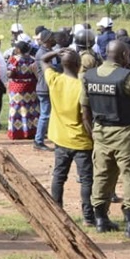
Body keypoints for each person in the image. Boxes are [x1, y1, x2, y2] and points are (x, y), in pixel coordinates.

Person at [82, 40, 130, 238]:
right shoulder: (129, 77)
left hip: (101, 132)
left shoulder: (89, 76)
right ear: (125, 55)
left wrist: (93, 134)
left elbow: (85, 109)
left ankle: (101, 219)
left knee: (102, 174)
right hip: (127, 133)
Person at [39, 49, 95, 227]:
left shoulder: (54, 79)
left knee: (58, 176)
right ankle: (88, 217)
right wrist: (94, 138)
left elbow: (43, 60)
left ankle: (57, 212)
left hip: (60, 138)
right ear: (79, 66)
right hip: (81, 141)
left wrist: (56, 52)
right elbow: (86, 117)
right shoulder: (81, 87)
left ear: (63, 65)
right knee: (86, 180)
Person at [6, 42, 39, 141]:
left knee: (16, 109)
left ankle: (17, 132)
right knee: (31, 109)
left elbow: (10, 74)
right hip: (31, 88)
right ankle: (30, 131)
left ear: (18, 50)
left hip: (17, 89)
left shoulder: (14, 59)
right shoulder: (33, 59)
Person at [33, 30, 57, 151]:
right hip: (45, 88)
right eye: (52, 38)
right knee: (45, 115)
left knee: (47, 114)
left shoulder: (47, 51)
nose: (54, 40)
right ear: (47, 40)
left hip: (46, 87)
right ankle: (38, 141)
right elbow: (50, 69)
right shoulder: (42, 53)